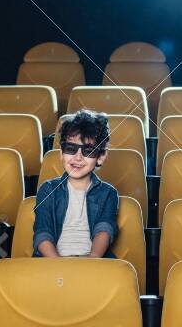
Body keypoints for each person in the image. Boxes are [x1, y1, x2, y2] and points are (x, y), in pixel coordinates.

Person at [33, 109, 119, 258]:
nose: (78, 157)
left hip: (92, 262)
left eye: (88, 151)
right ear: (61, 153)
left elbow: (104, 230)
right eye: (71, 149)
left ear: (101, 156)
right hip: (52, 262)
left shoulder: (108, 193)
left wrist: (92, 262)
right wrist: (57, 266)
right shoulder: (47, 189)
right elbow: (43, 232)